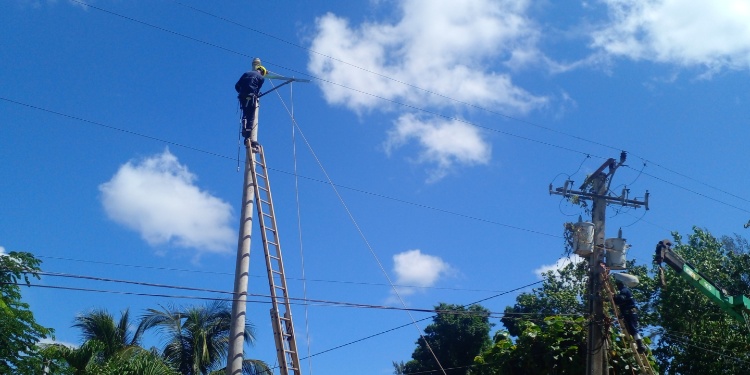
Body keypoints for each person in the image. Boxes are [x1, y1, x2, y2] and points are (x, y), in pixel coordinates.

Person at [235, 58, 267, 148]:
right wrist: (255, 95)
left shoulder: (246, 73)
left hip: (242, 96)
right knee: (251, 116)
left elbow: (237, 86)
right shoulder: (261, 78)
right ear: (262, 72)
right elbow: (257, 89)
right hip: (251, 96)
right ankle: (249, 138)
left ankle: (244, 128)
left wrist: (241, 93)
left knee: (245, 113)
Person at [614, 280, 647, 353]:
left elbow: (620, 299)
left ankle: (640, 345)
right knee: (630, 329)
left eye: (618, 285)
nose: (617, 286)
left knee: (633, 328)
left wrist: (614, 297)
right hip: (627, 313)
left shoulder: (624, 290)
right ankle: (638, 345)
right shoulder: (623, 291)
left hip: (630, 313)